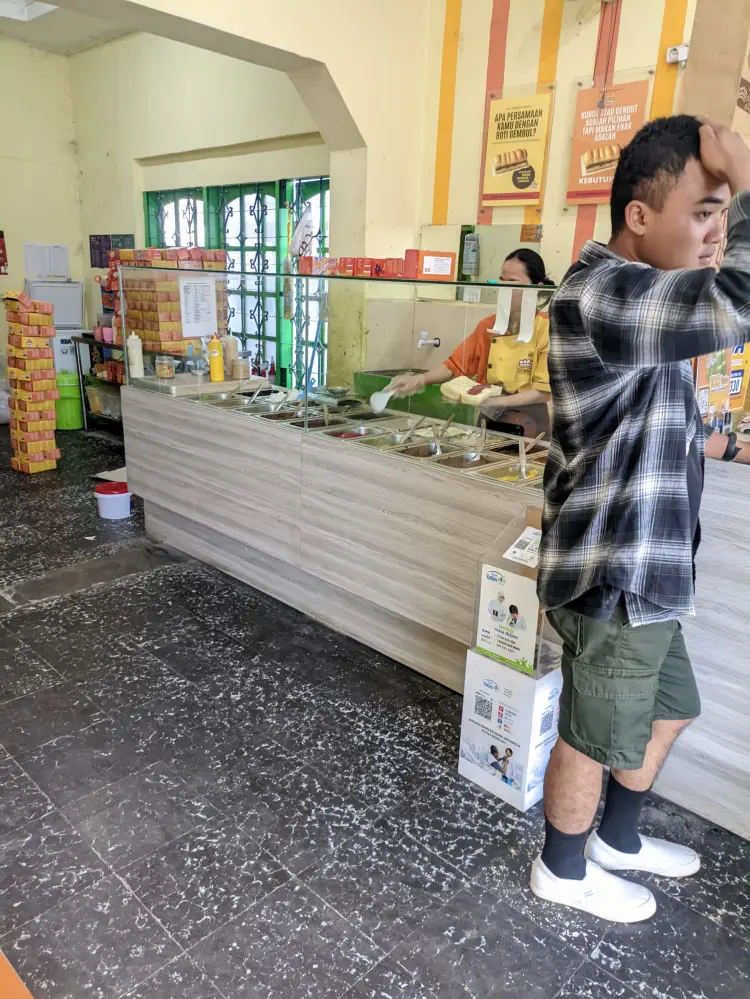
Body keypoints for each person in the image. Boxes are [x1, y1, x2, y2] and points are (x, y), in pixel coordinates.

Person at [533, 114, 750, 924]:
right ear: (639, 214)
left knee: (672, 706)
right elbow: (741, 297)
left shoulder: (640, 298)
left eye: (724, 212)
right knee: (593, 731)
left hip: (651, 570)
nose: (715, 233)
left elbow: (659, 418)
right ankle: (562, 865)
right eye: (703, 210)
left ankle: (617, 840)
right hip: (613, 568)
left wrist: (725, 443)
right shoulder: (605, 291)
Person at [386, 249, 553, 436]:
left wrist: (495, 402)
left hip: (531, 427)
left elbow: (542, 391)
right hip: (489, 422)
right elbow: (456, 365)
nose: (503, 288)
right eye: (501, 280)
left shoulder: (546, 329)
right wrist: (418, 380)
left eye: (512, 282)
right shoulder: (489, 327)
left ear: (536, 287)